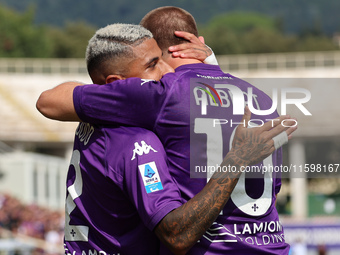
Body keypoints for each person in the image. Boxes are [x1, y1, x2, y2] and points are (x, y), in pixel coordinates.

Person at [37, 7, 296, 255]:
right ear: (198, 40)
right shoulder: (264, 102)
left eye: (158, 59)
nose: (162, 71)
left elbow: (49, 102)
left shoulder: (161, 94)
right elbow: (272, 190)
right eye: (153, 64)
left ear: (163, 49)